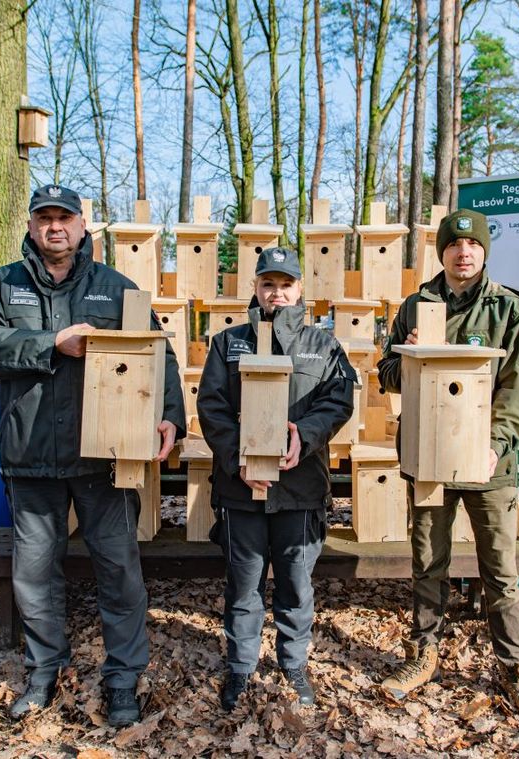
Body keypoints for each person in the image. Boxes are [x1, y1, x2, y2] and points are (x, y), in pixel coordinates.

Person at [0, 185, 185, 726]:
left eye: (65, 218)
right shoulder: (2, 285)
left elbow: (160, 356)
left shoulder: (115, 289)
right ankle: (44, 672)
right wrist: (49, 344)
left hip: (103, 455)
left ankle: (123, 678)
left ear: (84, 227)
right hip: (30, 451)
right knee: (34, 572)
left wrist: (171, 415)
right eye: (45, 218)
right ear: (32, 226)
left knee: (119, 569)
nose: (55, 227)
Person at [375, 209, 519, 722]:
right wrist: (413, 360)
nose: (463, 252)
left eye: (472, 245)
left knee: (500, 568)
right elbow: (386, 371)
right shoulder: (416, 305)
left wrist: (495, 442)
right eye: (454, 245)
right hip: (428, 458)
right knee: (429, 563)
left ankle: (514, 668)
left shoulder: (508, 309)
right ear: (442, 252)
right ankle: (424, 652)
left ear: (484, 251)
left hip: (489, 464)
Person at [196, 247, 355, 712]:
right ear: (255, 288)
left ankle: (292, 663)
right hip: (240, 491)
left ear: (300, 289)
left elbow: (338, 402)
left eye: (286, 284)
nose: (277, 293)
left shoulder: (324, 345)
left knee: (295, 583)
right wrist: (238, 459)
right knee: (243, 585)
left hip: (301, 490)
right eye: (268, 284)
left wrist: (303, 436)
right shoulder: (228, 344)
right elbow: (211, 408)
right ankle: (242, 667)